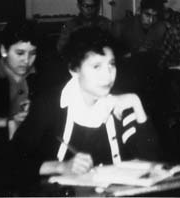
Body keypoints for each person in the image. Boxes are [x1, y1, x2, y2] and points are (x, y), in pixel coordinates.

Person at [10, 27, 159, 194]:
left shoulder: (120, 102)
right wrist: (61, 166)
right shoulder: (51, 104)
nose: (108, 75)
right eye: (96, 66)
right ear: (74, 70)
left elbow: (151, 162)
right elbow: (13, 160)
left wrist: (136, 103)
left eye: (112, 64)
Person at [0, 20, 40, 139]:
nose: (26, 60)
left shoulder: (42, 75)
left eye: (32, 53)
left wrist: (36, 109)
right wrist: (8, 121)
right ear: (4, 50)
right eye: (20, 53)